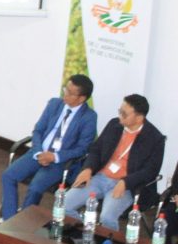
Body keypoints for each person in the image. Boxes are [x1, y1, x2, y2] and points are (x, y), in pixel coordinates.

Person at [0, 75, 97, 221]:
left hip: (59, 161)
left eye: (70, 93)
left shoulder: (89, 117)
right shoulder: (54, 104)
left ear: (82, 98)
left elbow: (82, 148)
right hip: (38, 153)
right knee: (8, 176)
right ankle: (8, 219)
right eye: (65, 89)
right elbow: (38, 130)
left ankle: (23, 222)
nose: (65, 94)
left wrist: (55, 157)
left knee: (35, 187)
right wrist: (39, 151)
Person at [64, 94, 165, 231]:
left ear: (139, 118)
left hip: (126, 185)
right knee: (63, 204)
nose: (120, 116)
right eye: (120, 111)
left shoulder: (155, 139)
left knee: (107, 218)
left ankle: (109, 242)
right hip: (100, 177)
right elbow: (96, 150)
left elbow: (150, 171)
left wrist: (126, 182)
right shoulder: (114, 125)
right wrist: (88, 169)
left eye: (124, 114)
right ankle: (86, 231)